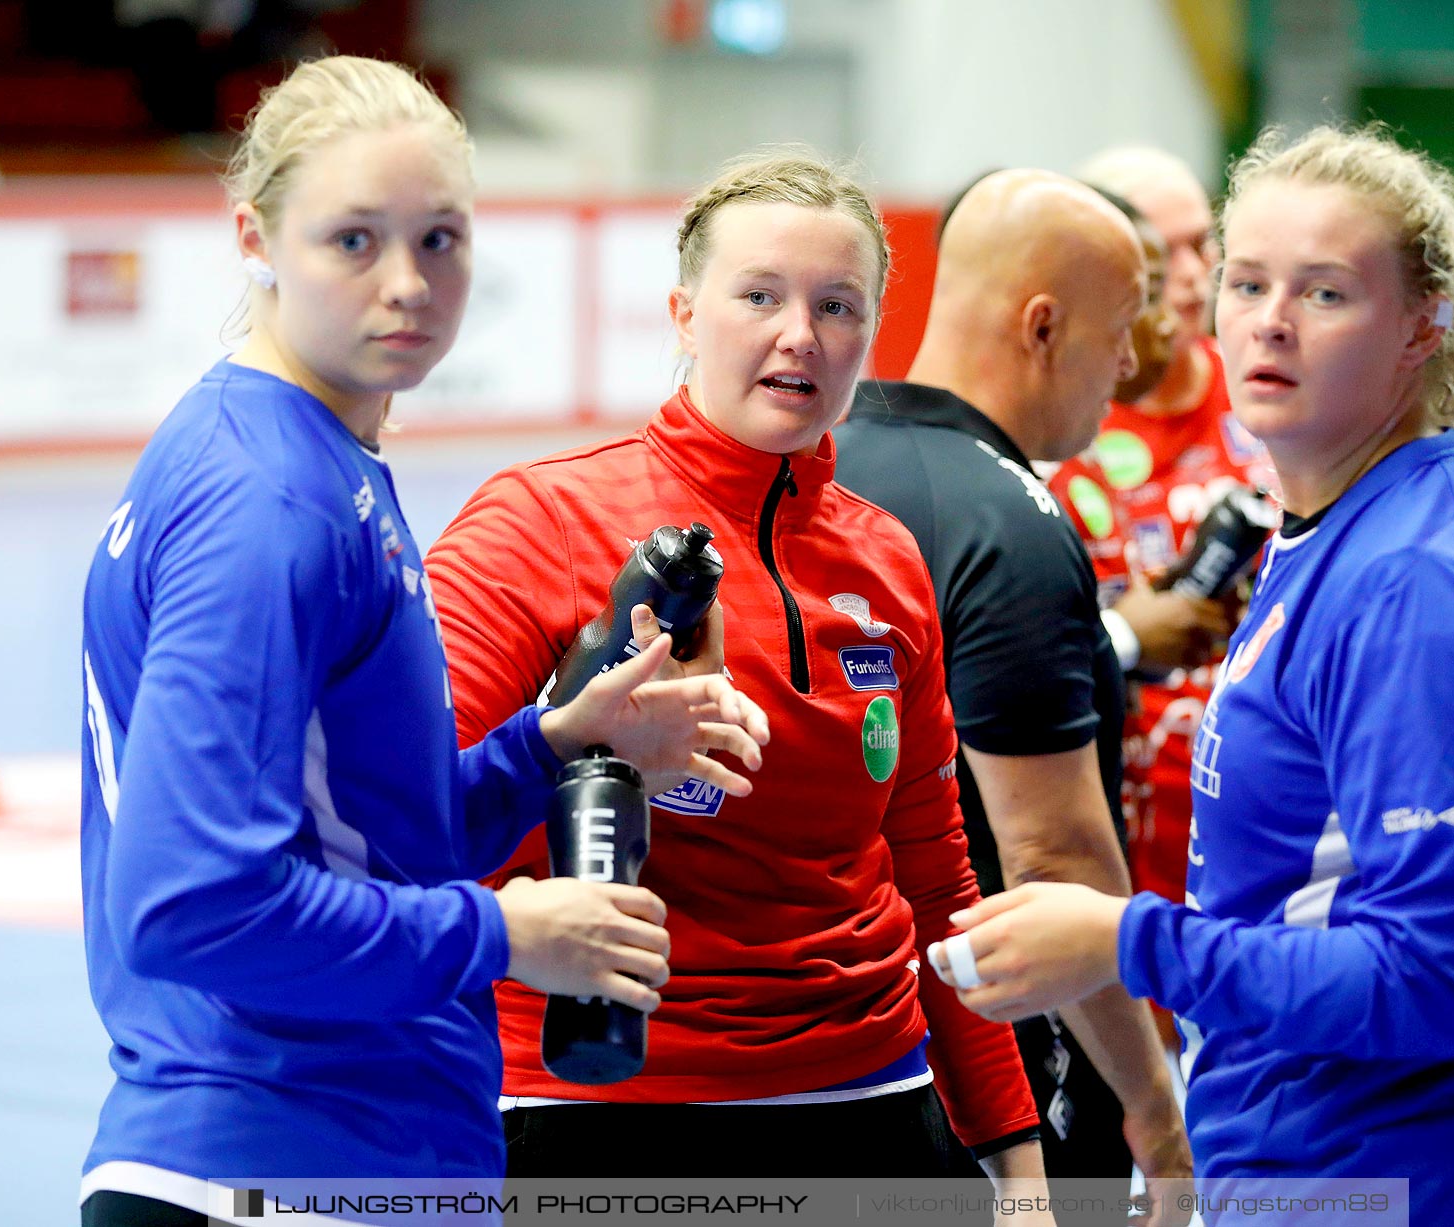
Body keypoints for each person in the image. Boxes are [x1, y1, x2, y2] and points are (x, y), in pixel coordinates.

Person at [76, 56, 766, 1226]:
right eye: (354, 241)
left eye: (440, 240)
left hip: (341, 1149)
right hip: (279, 1158)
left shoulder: (309, 449)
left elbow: (360, 831)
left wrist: (554, 747)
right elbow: (190, 905)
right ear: (256, 239)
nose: (406, 284)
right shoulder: (270, 504)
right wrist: (502, 931)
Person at [932, 126, 1454, 1227]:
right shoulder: (1354, 519)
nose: (1271, 319)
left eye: (1328, 292)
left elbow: (1430, 982)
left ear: (1423, 325)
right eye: (1248, 282)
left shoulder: (1412, 581)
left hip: (1417, 1186)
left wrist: (1121, 940)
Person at [423, 151, 1047, 1193]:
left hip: (871, 1100)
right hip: (600, 1108)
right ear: (683, 313)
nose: (799, 334)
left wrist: (1019, 1167)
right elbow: (413, 820)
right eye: (758, 294)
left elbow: (935, 876)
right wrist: (570, 743)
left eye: (837, 305)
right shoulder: (539, 524)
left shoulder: (888, 562)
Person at [832, 170, 1190, 1205]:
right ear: (1043, 325)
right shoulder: (1009, 525)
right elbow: (1054, 855)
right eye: (1120, 328)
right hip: (997, 1083)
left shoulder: (815, 469)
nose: (1129, 363)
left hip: (839, 1056)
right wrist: (1155, 1108)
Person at [1046, 146, 1257, 960]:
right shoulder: (1064, 430)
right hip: (1117, 852)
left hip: (1267, 844)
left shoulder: (1270, 396)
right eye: (1160, 254)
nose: (1192, 275)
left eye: (1203, 243)